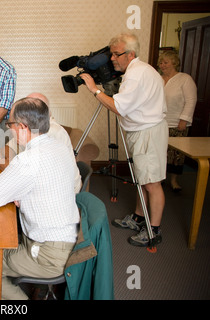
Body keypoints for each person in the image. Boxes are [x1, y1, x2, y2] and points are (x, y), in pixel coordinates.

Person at [0, 97, 80, 299]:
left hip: (49, 254)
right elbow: (50, 185)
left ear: (22, 127)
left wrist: (14, 192)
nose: (9, 129)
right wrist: (22, 193)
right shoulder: (60, 148)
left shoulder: (28, 160)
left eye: (10, 124)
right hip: (70, 238)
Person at [80, 33, 168, 247]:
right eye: (111, 54)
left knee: (152, 183)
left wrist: (94, 89)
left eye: (116, 54)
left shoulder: (136, 75)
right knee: (142, 179)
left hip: (147, 133)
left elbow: (118, 107)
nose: (111, 59)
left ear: (130, 54)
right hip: (142, 131)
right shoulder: (139, 70)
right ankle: (139, 218)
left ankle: (152, 230)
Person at [0, 92, 82, 193]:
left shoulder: (52, 131)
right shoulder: (29, 128)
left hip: (63, 192)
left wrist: (0, 161)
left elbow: (21, 176)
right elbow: (9, 148)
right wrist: (6, 161)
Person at [158, 50, 197, 192]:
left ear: (174, 63)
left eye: (166, 62)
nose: (162, 65)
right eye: (161, 62)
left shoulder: (185, 79)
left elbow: (191, 101)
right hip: (159, 122)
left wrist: (184, 120)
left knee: (176, 155)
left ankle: (174, 180)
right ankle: (160, 178)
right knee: (160, 152)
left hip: (177, 123)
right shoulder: (158, 78)